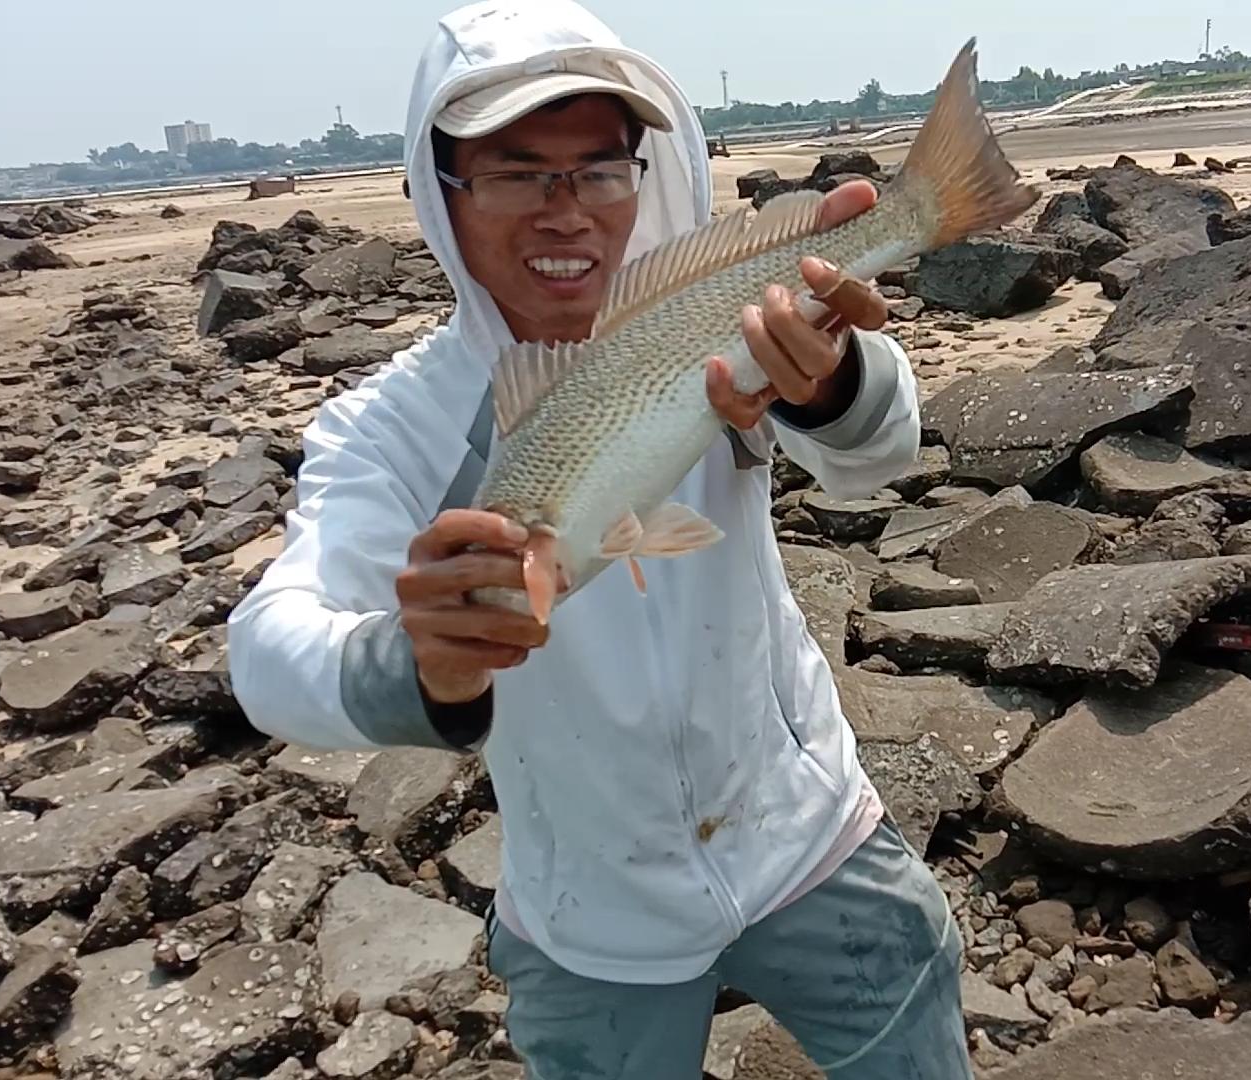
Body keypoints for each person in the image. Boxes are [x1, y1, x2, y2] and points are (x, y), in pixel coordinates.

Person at [225, 2, 972, 1076]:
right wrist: (418, 663)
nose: (564, 212)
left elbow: (879, 456)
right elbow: (266, 651)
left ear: (644, 175)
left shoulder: (712, 316)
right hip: (591, 917)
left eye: (598, 171)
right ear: (441, 191)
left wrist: (840, 380)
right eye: (518, 173)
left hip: (810, 834)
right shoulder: (390, 427)